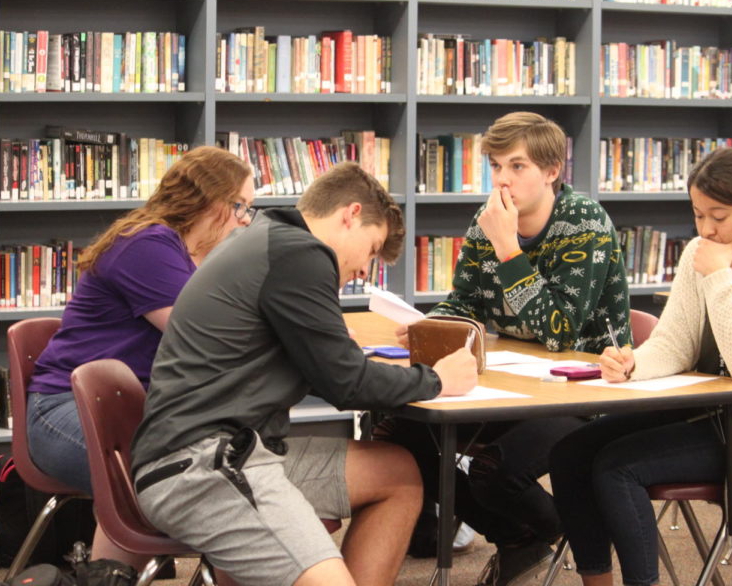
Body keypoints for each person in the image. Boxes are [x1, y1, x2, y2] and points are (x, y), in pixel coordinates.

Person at [130, 161, 478, 586]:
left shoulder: (268, 239)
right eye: (371, 248)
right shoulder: (302, 254)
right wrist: (439, 380)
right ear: (350, 214)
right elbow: (346, 383)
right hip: (204, 465)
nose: (365, 270)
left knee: (398, 474)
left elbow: (324, 369)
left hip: (235, 450)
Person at [377, 111, 631, 586]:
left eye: (517, 167)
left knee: (493, 469)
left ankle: (551, 525)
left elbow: (560, 333)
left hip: (583, 392)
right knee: (397, 432)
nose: (503, 180)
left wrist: (509, 251)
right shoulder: (488, 219)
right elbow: (465, 300)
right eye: (496, 167)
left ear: (552, 171)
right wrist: (430, 327)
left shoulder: (585, 224)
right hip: (513, 382)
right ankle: (520, 534)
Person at [549, 146, 732, 586]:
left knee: (617, 467)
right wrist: (633, 362)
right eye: (698, 215)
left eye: (719, 216)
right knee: (570, 453)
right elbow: (675, 343)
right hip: (698, 412)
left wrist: (717, 277)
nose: (707, 229)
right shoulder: (701, 252)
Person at [26, 145, 255, 563]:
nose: (244, 220)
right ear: (210, 201)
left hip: (121, 410)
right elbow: (206, 337)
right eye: (240, 206)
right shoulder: (149, 245)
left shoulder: (181, 250)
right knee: (193, 483)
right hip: (65, 411)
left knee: (223, 473)